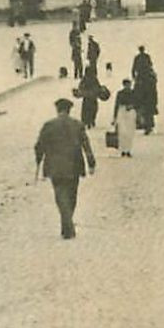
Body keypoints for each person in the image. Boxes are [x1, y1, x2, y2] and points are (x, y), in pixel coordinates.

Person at [34, 98, 96, 239]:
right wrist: (91, 163)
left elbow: (39, 145)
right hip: (74, 165)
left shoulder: (48, 125)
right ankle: (68, 224)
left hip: (55, 166)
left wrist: (39, 159)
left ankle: (66, 224)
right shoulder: (77, 125)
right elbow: (86, 145)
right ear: (69, 110)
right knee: (72, 196)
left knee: (60, 194)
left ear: (57, 110)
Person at [131, 45, 158, 134]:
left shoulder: (137, 58)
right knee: (148, 111)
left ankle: (144, 125)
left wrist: (134, 76)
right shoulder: (150, 77)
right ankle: (148, 126)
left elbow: (133, 69)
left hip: (142, 93)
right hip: (149, 97)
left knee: (142, 108)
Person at [112, 79, 138, 157]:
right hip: (122, 111)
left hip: (131, 112)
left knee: (130, 132)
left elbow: (137, 103)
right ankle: (123, 150)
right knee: (122, 132)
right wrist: (115, 117)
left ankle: (128, 150)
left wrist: (132, 106)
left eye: (129, 85)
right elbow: (116, 105)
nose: (128, 86)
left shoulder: (134, 93)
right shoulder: (120, 93)